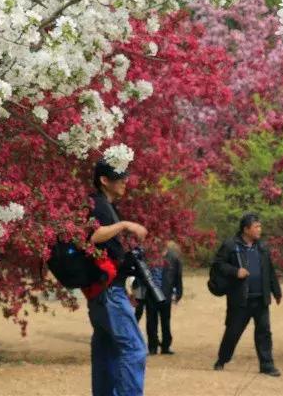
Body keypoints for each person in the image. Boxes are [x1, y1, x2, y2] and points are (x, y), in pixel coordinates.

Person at [88, 158, 148, 396]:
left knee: (106, 352)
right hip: (109, 294)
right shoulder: (98, 204)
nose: (126, 181)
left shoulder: (108, 206)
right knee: (135, 350)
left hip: (106, 292)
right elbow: (92, 235)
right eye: (120, 176)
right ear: (104, 180)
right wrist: (124, 225)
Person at [211, 213, 282, 377]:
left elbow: (269, 270)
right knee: (233, 332)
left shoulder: (262, 247)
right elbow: (218, 264)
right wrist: (236, 271)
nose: (259, 229)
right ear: (246, 229)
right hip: (240, 299)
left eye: (260, 226)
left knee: (264, 331)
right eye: (256, 226)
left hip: (261, 298)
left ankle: (267, 365)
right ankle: (222, 359)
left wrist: (276, 291)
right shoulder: (231, 245)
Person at [144, 240, 183, 355]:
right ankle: (152, 346)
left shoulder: (173, 257)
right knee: (151, 322)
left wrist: (178, 293)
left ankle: (166, 346)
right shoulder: (148, 256)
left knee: (165, 322)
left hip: (166, 294)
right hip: (151, 294)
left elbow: (178, 277)